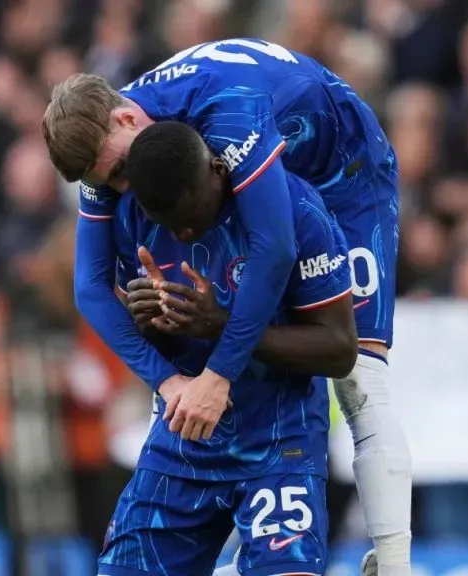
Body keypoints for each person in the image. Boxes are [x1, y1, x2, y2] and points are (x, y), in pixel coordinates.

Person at [43, 39, 410, 575]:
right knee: (183, 354)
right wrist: (167, 381)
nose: (125, 189)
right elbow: (91, 289)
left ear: (126, 117)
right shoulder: (117, 145)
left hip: (340, 163)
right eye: (110, 184)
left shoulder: (224, 111)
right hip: (237, 169)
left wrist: (218, 372)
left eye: (120, 173)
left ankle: (395, 565)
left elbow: (275, 244)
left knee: (359, 379)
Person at [98, 121, 353, 576]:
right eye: (168, 225)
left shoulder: (294, 210)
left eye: (189, 216)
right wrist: (151, 322)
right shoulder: (132, 217)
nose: (184, 233)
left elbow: (337, 348)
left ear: (217, 171)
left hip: (278, 444)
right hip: (184, 442)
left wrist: (221, 325)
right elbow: (162, 344)